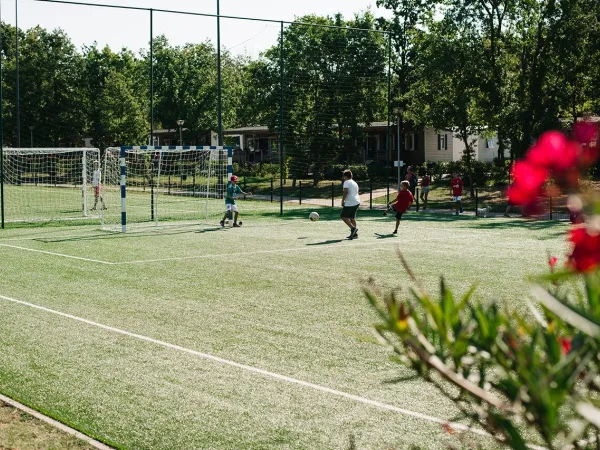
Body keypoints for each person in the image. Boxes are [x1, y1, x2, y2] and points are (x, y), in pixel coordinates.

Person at [341, 170, 361, 239]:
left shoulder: (346, 182)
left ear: (346, 176)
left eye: (343, 176)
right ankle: (355, 235)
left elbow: (345, 192)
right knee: (352, 218)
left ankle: (353, 229)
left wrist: (343, 201)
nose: (343, 177)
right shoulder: (354, 182)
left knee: (343, 216)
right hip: (357, 202)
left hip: (350, 202)